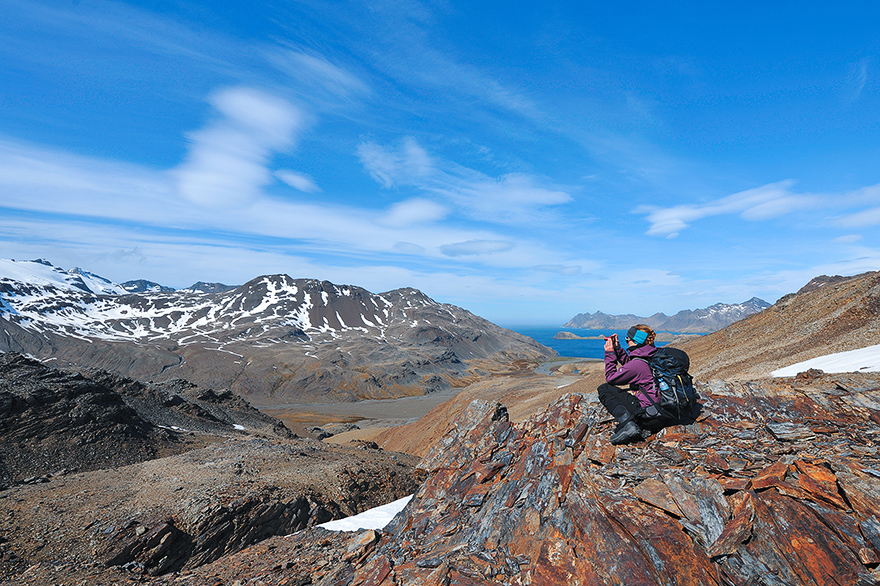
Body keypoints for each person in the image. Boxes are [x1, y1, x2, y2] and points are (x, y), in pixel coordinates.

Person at [598, 324, 660, 445]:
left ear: (636, 341)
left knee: (604, 389)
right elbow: (631, 366)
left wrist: (610, 354)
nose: (627, 342)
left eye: (628, 339)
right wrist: (618, 349)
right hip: (664, 411)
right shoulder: (654, 355)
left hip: (649, 417)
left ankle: (628, 425)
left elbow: (611, 378)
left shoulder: (638, 364)